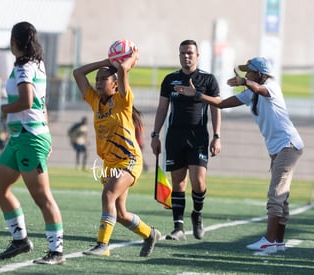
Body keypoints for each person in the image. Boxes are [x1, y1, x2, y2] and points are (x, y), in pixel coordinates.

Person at [177, 57, 304, 254]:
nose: (246, 74)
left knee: (276, 195)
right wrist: (198, 95)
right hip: (279, 149)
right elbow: (220, 104)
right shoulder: (250, 93)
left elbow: (260, 89)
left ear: (261, 75)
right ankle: (277, 241)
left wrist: (245, 82)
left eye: (250, 72)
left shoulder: (271, 86)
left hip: (288, 146)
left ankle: (269, 241)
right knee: (282, 198)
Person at [0, 21, 65, 265]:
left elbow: (27, 101)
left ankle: (56, 252)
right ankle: (20, 240)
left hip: (30, 140)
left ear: (14, 42)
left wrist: (1, 110)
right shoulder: (37, 64)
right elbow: (42, 103)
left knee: (42, 197)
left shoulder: (24, 68)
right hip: (20, 138)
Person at [73, 47, 160, 257]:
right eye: (97, 78)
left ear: (115, 84)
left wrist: (126, 61)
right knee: (120, 214)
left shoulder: (122, 100)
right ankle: (150, 234)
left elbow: (122, 70)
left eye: (104, 78)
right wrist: (104, 61)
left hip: (129, 160)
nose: (99, 81)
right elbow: (77, 73)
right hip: (110, 164)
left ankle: (103, 245)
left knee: (108, 194)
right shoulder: (96, 102)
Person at [150, 39, 221, 241]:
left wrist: (217, 136)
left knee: (198, 181)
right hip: (174, 136)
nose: (186, 56)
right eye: (182, 53)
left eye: (190, 53)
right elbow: (162, 108)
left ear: (197, 55)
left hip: (198, 136)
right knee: (178, 182)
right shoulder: (170, 79)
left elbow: (217, 107)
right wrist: (155, 135)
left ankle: (197, 215)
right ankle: (178, 227)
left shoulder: (208, 80)